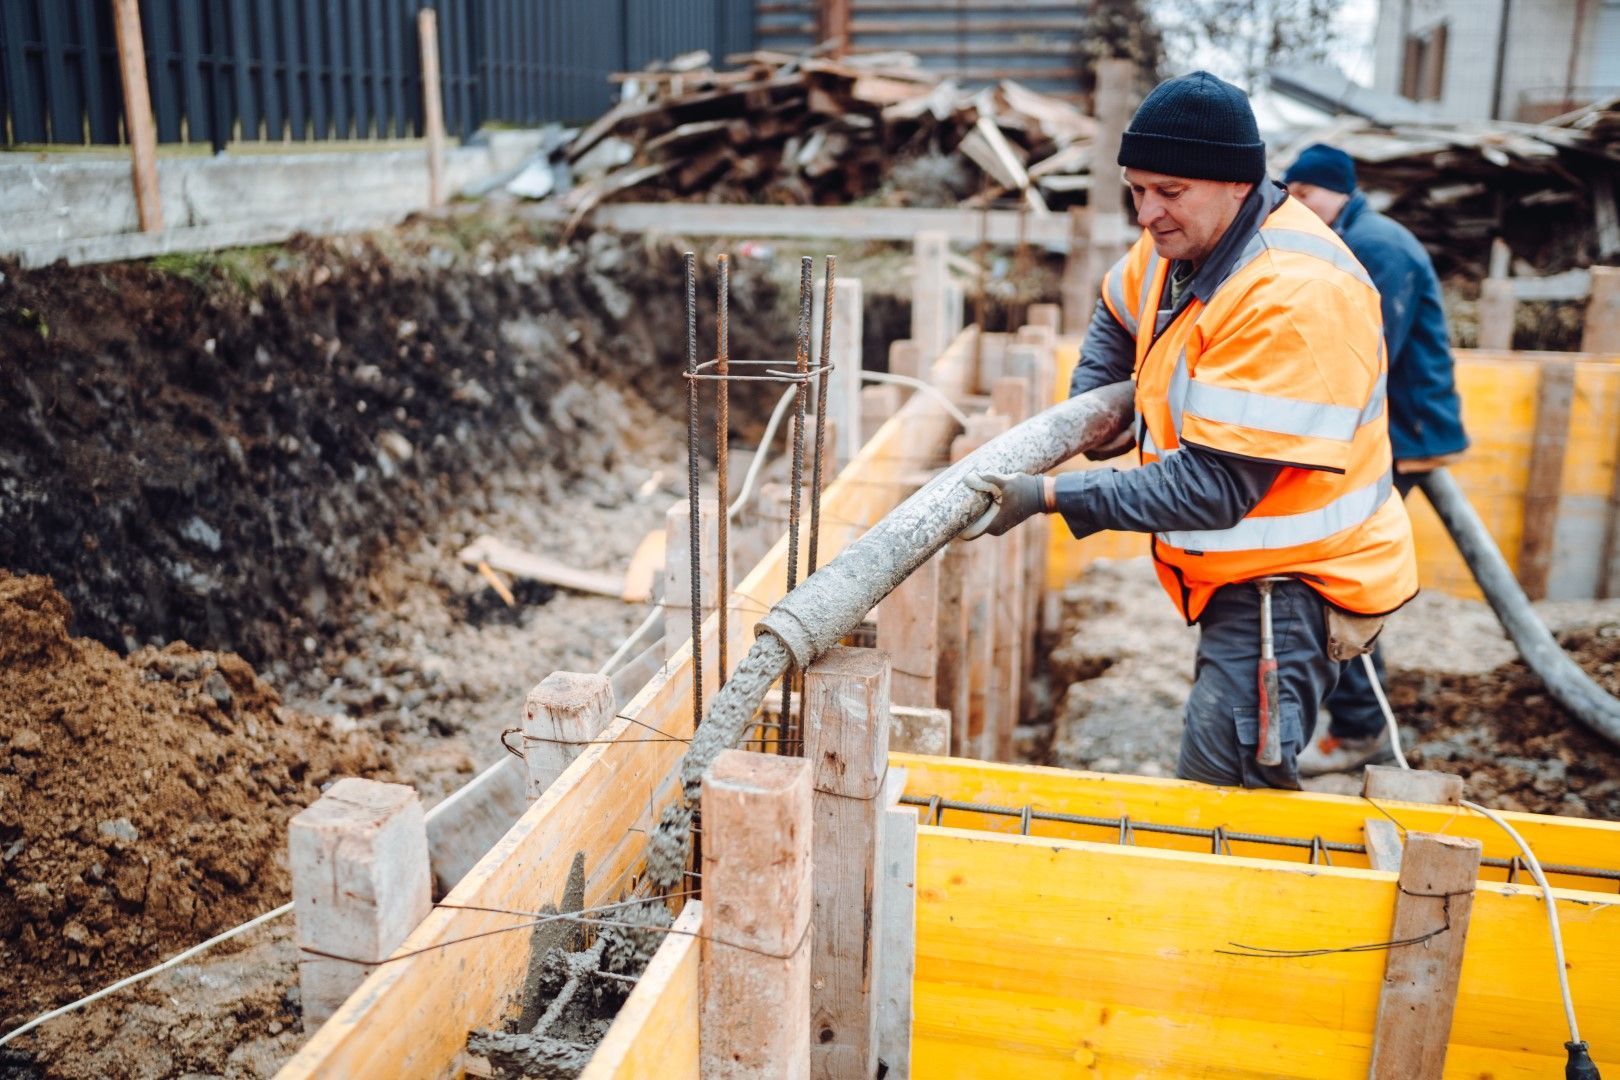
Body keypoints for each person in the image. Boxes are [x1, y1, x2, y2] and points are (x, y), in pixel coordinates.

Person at [962, 71, 1418, 790]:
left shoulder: (1291, 295)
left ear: (1238, 184)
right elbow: (1118, 309)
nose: (1147, 213)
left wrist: (1050, 496)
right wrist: (1096, 413)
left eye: (1168, 191)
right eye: (1136, 188)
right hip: (1238, 568)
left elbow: (1214, 488)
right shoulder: (1180, 242)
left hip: (1290, 584)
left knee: (1225, 794)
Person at [1283, 143, 1469, 776]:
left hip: (1404, 434)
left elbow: (1365, 354)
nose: (1297, 205)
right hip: (1391, 431)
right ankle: (1357, 718)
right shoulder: (1355, 236)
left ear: (1338, 191)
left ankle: (1362, 727)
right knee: (1340, 571)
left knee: (1343, 574)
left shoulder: (1379, 247)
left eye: (1306, 194)